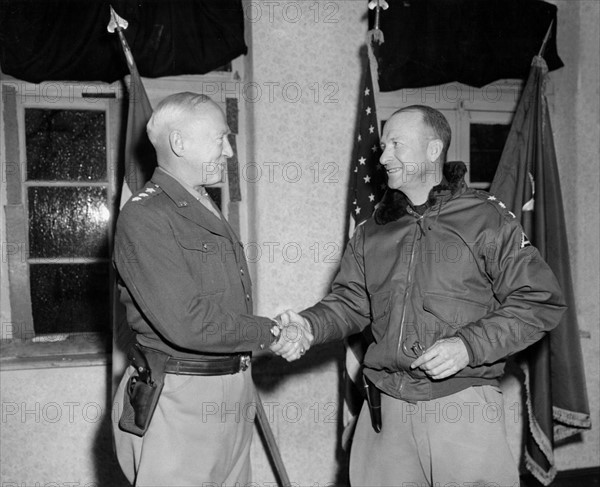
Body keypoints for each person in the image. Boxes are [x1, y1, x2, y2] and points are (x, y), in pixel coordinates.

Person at [272, 105, 566, 486]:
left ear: (432, 150)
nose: (382, 156)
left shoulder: (485, 218)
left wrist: (468, 345)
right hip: (386, 408)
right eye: (382, 146)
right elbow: (349, 303)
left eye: (396, 144)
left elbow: (539, 299)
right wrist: (308, 326)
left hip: (461, 406)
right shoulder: (372, 231)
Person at [112, 92, 310, 486]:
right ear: (180, 143)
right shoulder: (145, 216)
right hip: (181, 398)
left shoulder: (203, 204)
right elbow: (187, 322)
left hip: (231, 386)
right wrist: (271, 331)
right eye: (220, 139)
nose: (230, 151)